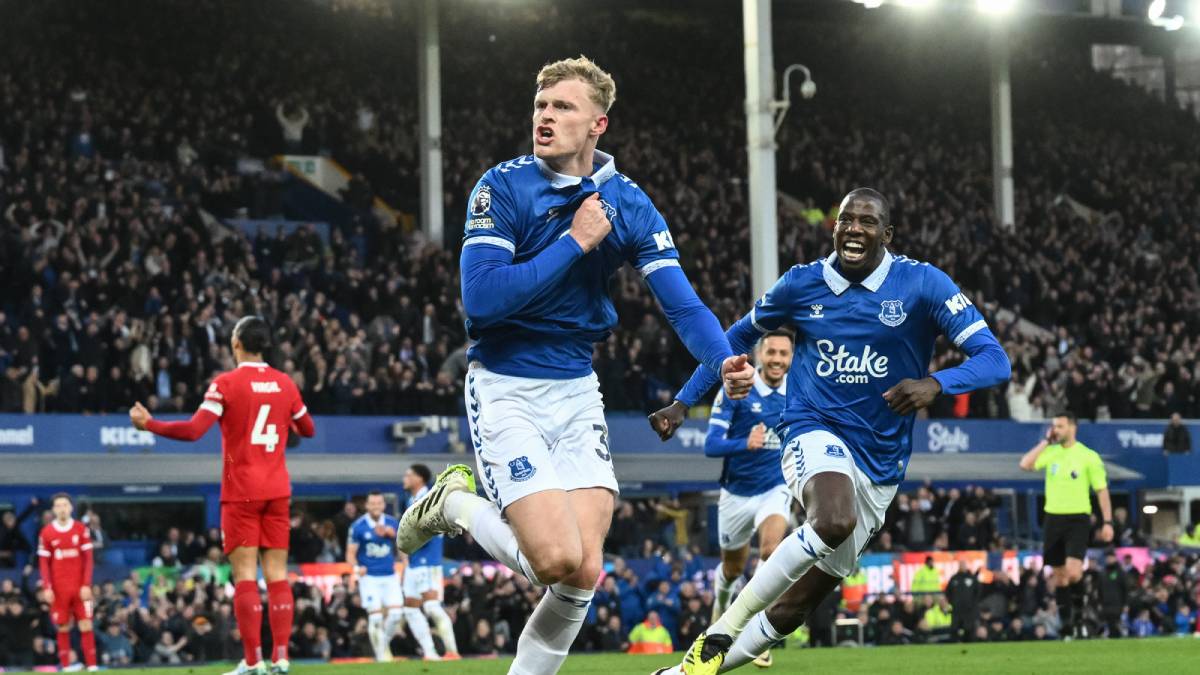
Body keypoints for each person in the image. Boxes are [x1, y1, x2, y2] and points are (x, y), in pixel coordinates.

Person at [396, 56, 749, 675]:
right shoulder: (500, 186)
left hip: (577, 389)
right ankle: (454, 504)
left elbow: (683, 305)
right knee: (555, 558)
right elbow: (482, 300)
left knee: (584, 569)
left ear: (598, 126)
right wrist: (575, 242)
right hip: (505, 385)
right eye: (540, 106)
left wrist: (726, 364)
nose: (546, 117)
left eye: (563, 107)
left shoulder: (628, 203)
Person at [649, 188, 1011, 673]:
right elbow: (736, 336)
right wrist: (683, 400)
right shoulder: (801, 285)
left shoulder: (923, 284)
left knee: (797, 606)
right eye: (846, 220)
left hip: (880, 463)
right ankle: (721, 629)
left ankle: (683, 673)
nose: (854, 229)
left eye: (867, 222)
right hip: (812, 428)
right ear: (835, 228)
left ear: (887, 234)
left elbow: (995, 359)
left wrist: (935, 383)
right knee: (833, 519)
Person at [130, 315, 315, 675]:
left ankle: (252, 661)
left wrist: (149, 424)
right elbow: (306, 428)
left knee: (245, 576)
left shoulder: (226, 383)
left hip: (242, 491)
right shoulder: (285, 384)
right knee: (277, 575)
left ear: (236, 344)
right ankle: (281, 658)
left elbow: (193, 430)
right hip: (278, 490)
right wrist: (282, 419)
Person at [654, 330, 796, 668]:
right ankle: (721, 608)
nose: (777, 359)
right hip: (735, 494)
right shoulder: (737, 388)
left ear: (791, 358)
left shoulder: (799, 391)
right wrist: (744, 442)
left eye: (784, 354)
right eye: (771, 351)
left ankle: (754, 635)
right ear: (761, 354)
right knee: (731, 571)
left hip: (775, 487)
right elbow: (711, 445)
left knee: (771, 552)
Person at [1018, 412, 1113, 639]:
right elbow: (1025, 464)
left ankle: (1080, 619)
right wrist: (1044, 442)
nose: (1055, 430)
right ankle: (1067, 625)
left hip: (1078, 518)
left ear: (1072, 427)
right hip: (1053, 518)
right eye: (1054, 426)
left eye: (1059, 426)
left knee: (1073, 571)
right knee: (1059, 577)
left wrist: (1107, 522)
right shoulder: (1050, 453)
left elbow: (1102, 490)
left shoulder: (1088, 457)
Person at [347, 491, 428, 662]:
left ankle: (382, 646)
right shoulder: (358, 526)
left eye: (379, 503)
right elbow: (350, 554)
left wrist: (404, 562)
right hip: (369, 578)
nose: (376, 506)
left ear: (383, 505)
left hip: (390, 577)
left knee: (396, 615)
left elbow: (403, 548)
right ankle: (381, 656)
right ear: (367, 506)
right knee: (375, 617)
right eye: (372, 503)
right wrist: (356, 568)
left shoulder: (392, 523)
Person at [401, 465, 460, 658]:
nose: (405, 478)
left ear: (419, 478)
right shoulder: (412, 499)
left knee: (431, 606)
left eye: (409, 475)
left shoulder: (430, 497)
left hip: (428, 561)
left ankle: (452, 651)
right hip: (414, 561)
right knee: (410, 608)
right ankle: (430, 652)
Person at [37, 493, 98, 672]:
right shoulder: (46, 532)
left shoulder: (81, 529)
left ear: (71, 507)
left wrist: (87, 584)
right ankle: (65, 666)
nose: (62, 508)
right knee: (62, 626)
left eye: (65, 505)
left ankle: (92, 665)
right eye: (58, 505)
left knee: (86, 624)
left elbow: (88, 559)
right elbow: (43, 563)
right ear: (54, 509)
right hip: (58, 588)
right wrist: (47, 587)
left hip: (80, 588)